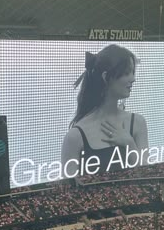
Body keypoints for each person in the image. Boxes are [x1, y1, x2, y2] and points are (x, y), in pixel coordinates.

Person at [61, 44, 148, 178]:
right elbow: (67, 190)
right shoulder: (76, 136)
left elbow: (147, 177)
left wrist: (129, 144)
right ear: (106, 77)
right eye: (126, 73)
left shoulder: (137, 123)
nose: (133, 79)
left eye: (133, 72)